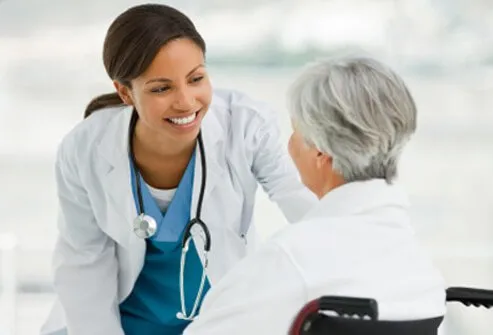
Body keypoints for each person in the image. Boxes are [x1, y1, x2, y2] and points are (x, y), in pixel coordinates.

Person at [40, 4, 317, 335]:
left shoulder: (246, 127)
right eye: (161, 88)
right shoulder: (84, 149)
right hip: (112, 323)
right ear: (125, 92)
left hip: (217, 323)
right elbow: (81, 264)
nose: (186, 101)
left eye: (196, 78)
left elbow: (308, 208)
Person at [183, 56, 446, 335]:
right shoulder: (420, 269)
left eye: (295, 132)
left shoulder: (291, 258)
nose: (289, 144)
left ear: (320, 151)